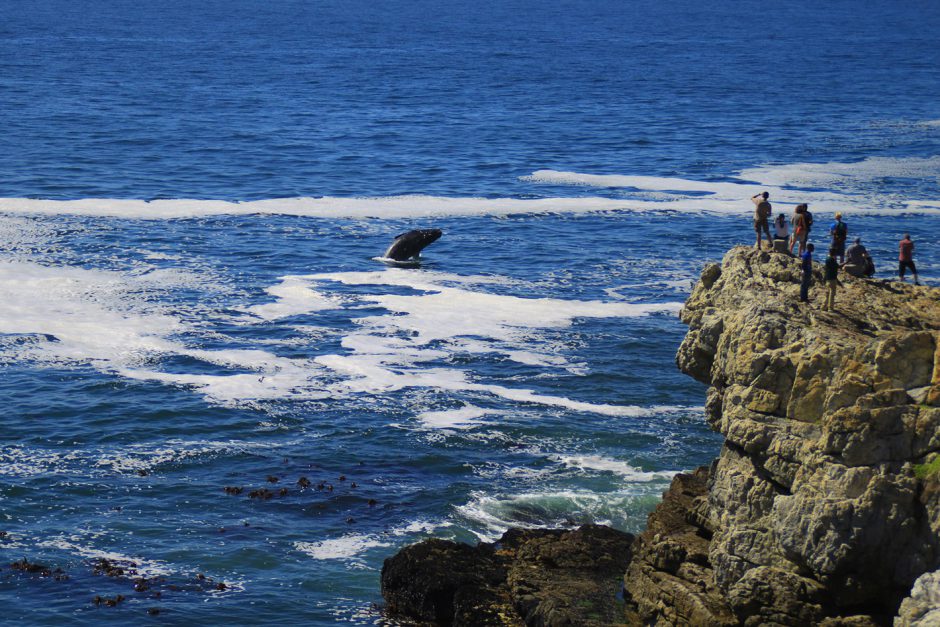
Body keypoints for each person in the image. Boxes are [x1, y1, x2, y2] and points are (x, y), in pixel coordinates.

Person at [824, 247, 840, 311]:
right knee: (832, 294)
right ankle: (830, 308)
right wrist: (847, 262)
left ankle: (824, 306)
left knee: (827, 294)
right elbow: (838, 266)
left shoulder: (827, 259)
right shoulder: (832, 260)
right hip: (832, 278)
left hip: (828, 277)